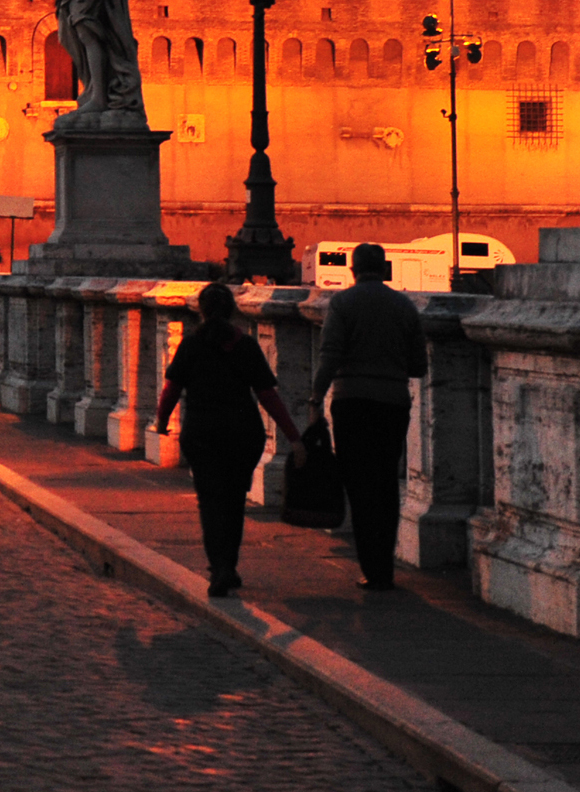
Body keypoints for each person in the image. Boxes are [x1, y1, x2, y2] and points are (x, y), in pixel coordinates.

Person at [152, 282, 305, 597]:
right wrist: (294, 437)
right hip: (241, 433)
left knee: (210, 501)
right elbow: (267, 396)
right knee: (234, 500)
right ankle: (229, 565)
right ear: (232, 311)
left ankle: (218, 566)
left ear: (202, 310)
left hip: (202, 432)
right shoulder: (245, 345)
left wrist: (162, 422)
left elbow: (171, 390)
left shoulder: (192, 345)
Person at [310, 241, 429, 592]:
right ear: (386, 269)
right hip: (392, 402)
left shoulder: (343, 303)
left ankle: (371, 568)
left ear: (353, 270)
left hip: (352, 403)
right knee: (386, 484)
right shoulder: (404, 306)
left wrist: (316, 397)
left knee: (359, 485)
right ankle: (386, 568)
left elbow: (330, 354)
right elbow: (418, 366)